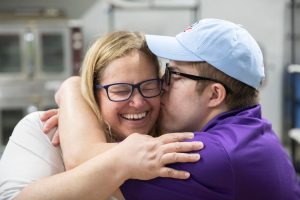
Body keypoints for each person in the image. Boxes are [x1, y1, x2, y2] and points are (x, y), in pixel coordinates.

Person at [44, 18, 300, 199]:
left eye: (174, 74)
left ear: (214, 94)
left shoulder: (207, 156)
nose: (163, 86)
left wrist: (71, 88)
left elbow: (85, 159)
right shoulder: (251, 133)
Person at [0, 31, 203, 200]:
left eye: (149, 87)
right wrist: (122, 161)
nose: (139, 102)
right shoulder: (44, 129)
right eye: (121, 90)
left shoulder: (172, 140)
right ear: (92, 92)